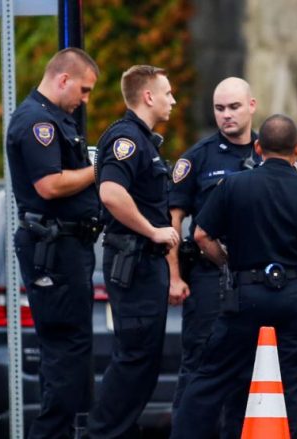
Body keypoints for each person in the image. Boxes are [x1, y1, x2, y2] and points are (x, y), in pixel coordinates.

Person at [171, 114, 297, 439]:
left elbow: (200, 236)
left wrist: (228, 264)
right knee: (295, 387)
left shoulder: (233, 186)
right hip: (295, 297)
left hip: (244, 297)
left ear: (257, 147)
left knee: (211, 379)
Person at [6, 47, 100, 439]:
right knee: (66, 349)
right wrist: (99, 170)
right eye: (84, 89)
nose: (85, 98)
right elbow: (50, 184)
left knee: (70, 349)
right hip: (54, 247)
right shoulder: (37, 123)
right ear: (63, 79)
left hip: (66, 247)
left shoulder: (56, 119)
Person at [88, 65, 179, 438]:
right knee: (134, 358)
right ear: (148, 96)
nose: (173, 100)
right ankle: (103, 433)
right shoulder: (127, 139)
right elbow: (110, 192)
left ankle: (118, 431)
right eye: (168, 92)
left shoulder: (144, 141)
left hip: (145, 263)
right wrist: (153, 231)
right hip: (135, 260)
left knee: (144, 360)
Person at [166, 76, 259, 435]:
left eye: (234, 107)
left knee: (248, 371)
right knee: (200, 363)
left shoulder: (271, 154)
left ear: (251, 106)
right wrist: (175, 277)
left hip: (256, 280)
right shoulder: (197, 158)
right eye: (219, 108)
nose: (226, 115)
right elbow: (173, 223)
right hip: (209, 278)